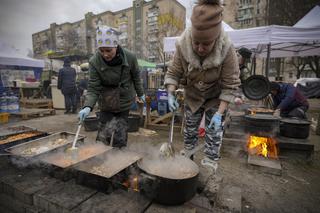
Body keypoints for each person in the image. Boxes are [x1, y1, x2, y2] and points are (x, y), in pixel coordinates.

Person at [164, 0, 241, 165]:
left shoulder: (227, 49)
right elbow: (174, 72)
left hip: (216, 98)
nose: (200, 48)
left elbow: (230, 85)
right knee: (189, 132)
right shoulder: (182, 44)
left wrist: (220, 114)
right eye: (196, 43)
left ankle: (210, 167)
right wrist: (170, 93)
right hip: (192, 96)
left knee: (213, 135)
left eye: (206, 44)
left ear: (215, 39)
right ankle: (187, 165)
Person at [78, 26, 145, 148]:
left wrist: (141, 93)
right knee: (104, 135)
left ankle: (120, 159)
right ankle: (101, 160)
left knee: (120, 134)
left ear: (116, 46)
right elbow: (93, 87)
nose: (105, 54)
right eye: (101, 50)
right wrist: (87, 106)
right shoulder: (94, 61)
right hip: (106, 100)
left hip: (124, 99)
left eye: (109, 50)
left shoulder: (130, 57)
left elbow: (136, 77)